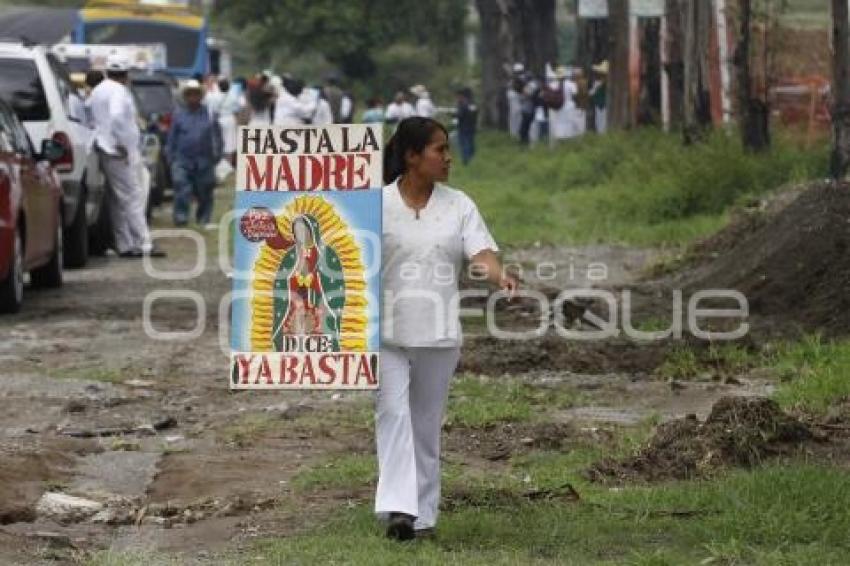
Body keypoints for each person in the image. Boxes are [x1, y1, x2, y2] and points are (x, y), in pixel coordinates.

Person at [377, 117, 518, 541]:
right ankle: (400, 509)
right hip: (384, 332)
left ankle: (423, 516)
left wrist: (498, 276)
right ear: (411, 156)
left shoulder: (459, 204)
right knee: (392, 413)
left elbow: (481, 252)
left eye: (447, 148)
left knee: (424, 422)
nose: (448, 158)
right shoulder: (373, 204)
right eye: (439, 150)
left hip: (438, 334)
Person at [88, 54, 163, 258]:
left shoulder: (98, 90)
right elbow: (117, 116)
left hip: (104, 148)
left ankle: (125, 244)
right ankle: (144, 243)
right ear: (126, 74)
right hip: (118, 150)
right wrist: (120, 142)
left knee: (117, 198)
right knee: (133, 196)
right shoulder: (119, 91)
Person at [166, 80, 223, 228]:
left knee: (204, 191)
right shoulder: (179, 115)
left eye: (195, 94)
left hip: (204, 159)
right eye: (189, 94)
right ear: (185, 96)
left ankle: (203, 219)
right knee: (181, 188)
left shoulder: (209, 114)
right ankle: (181, 218)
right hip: (182, 159)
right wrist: (171, 158)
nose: (193, 97)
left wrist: (217, 155)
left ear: (200, 96)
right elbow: (172, 138)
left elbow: (217, 136)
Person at [455, 87, 478, 165]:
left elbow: (460, 115)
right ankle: (471, 158)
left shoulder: (463, 104)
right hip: (471, 126)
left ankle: (466, 161)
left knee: (464, 144)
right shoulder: (472, 104)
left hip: (463, 127)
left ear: (462, 96)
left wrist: (453, 115)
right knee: (470, 142)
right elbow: (475, 114)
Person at [590, 61, 609, 133]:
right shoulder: (598, 83)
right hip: (600, 106)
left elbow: (592, 94)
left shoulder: (598, 84)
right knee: (600, 124)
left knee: (601, 125)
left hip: (603, 107)